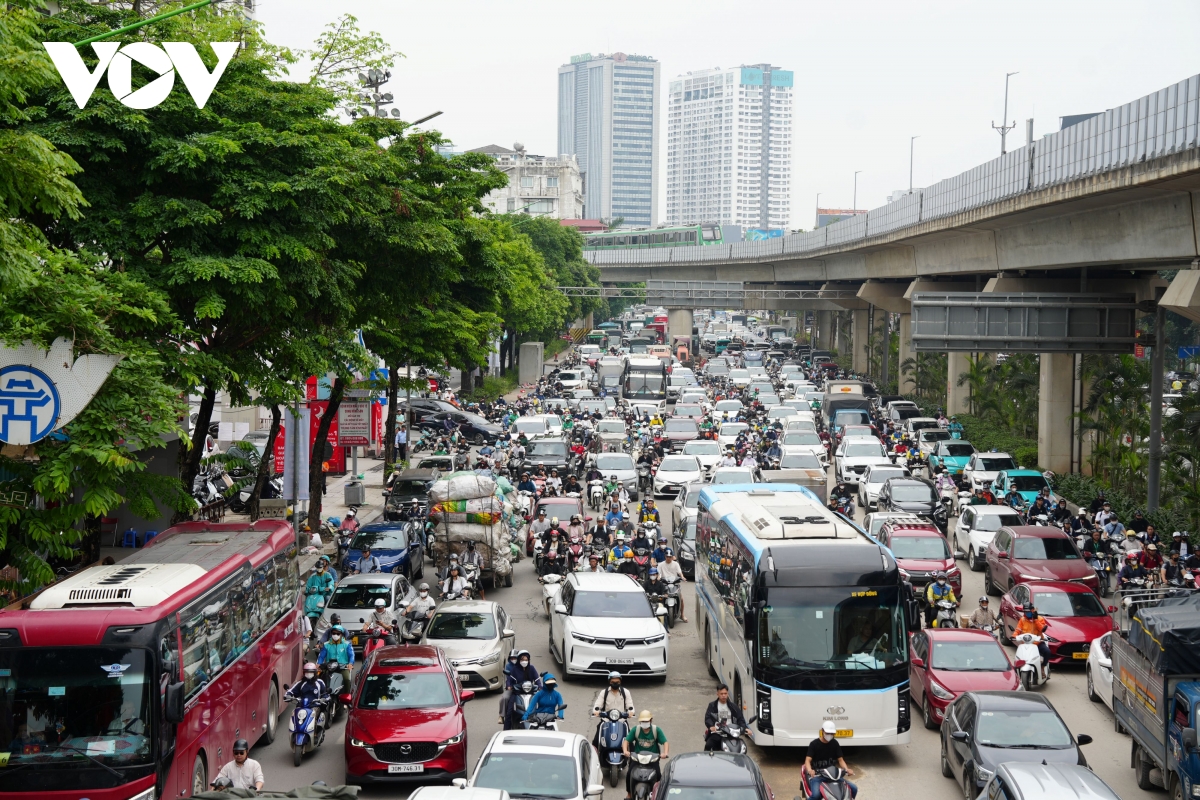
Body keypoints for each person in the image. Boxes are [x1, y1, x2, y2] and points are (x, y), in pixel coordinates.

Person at [622, 710, 668, 800]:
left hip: (652, 759)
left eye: (646, 721)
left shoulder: (656, 730)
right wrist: (625, 750)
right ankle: (629, 794)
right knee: (629, 773)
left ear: (651, 720)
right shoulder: (636, 730)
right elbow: (626, 741)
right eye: (643, 721)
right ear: (640, 722)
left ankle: (658, 794)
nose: (644, 723)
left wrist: (665, 753)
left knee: (658, 775)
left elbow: (665, 742)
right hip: (637, 758)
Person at [803, 722, 856, 799]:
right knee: (816, 795)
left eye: (832, 733)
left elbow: (841, 760)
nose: (830, 735)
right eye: (828, 733)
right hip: (818, 776)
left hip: (834, 776)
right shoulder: (814, 744)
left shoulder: (834, 743)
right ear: (822, 731)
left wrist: (846, 769)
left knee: (853, 788)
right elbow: (807, 760)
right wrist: (810, 770)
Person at [592, 671, 636, 744]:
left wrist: (631, 712)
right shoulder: (604, 692)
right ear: (609, 682)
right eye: (613, 682)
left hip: (621, 721)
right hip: (606, 720)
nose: (615, 683)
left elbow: (630, 706)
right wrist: (596, 711)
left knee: (630, 743)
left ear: (620, 682)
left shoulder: (626, 692)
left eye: (617, 682)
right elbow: (597, 705)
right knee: (596, 741)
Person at [703, 684, 747, 751]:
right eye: (721, 693)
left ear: (727, 694)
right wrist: (711, 726)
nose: (723, 695)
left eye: (725, 693)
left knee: (741, 748)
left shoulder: (734, 707)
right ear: (717, 694)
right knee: (709, 745)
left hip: (731, 733)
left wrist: (744, 728)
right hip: (718, 733)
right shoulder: (712, 705)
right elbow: (708, 717)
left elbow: (740, 719)